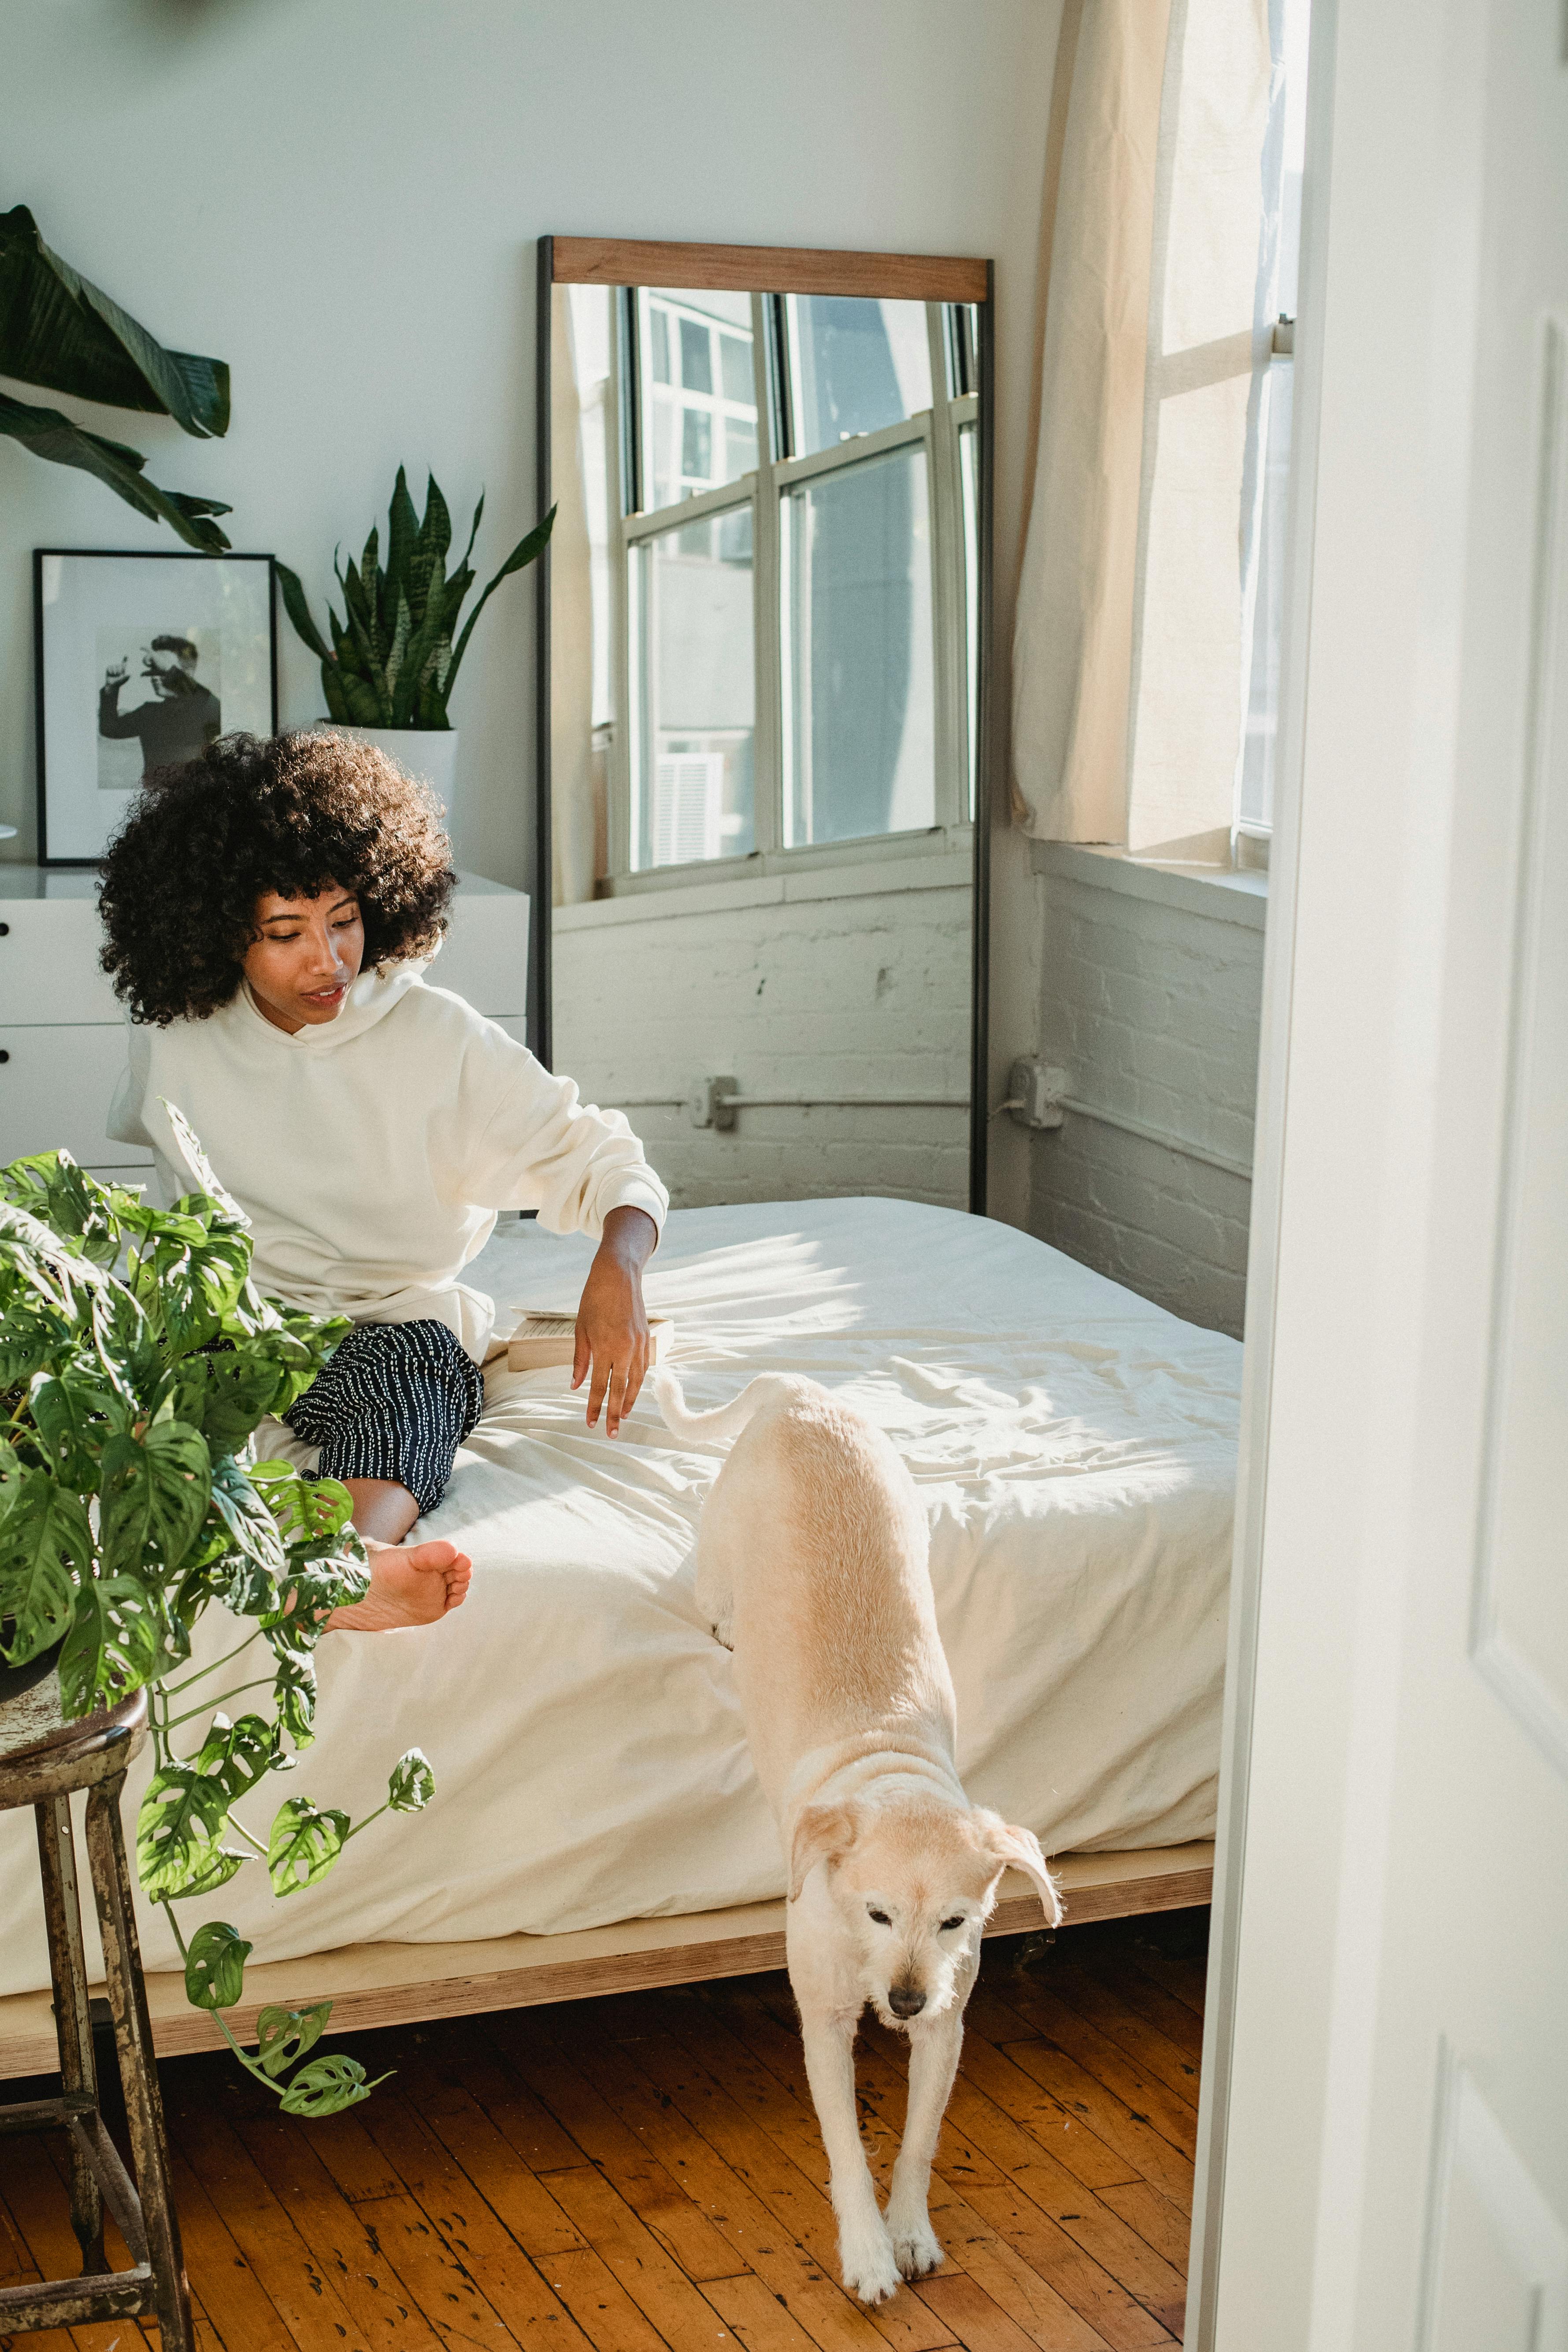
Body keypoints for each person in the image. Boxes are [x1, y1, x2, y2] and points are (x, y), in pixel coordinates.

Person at [99, 730, 668, 1636]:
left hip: (382, 1326)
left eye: (346, 918)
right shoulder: (178, 1033)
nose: (327, 959)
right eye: (285, 933)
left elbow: (608, 1159)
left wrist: (621, 1265)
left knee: (417, 1384)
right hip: (224, 1330)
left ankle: (347, 1565)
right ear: (216, 932)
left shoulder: (437, 1037)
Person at [99, 636, 222, 776]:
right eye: (153, 671)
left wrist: (172, 673)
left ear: (187, 674)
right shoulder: (150, 712)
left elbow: (210, 705)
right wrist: (111, 690)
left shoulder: (206, 708)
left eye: (162, 670)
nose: (154, 677)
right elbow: (110, 729)